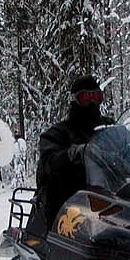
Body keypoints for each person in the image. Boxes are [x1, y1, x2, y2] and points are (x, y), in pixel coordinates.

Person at [34, 75, 112, 228]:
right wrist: (73, 153)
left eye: (96, 97)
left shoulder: (109, 129)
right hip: (69, 209)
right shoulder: (57, 133)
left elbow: (128, 148)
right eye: (86, 98)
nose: (92, 103)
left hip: (108, 203)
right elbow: (49, 162)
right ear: (75, 101)